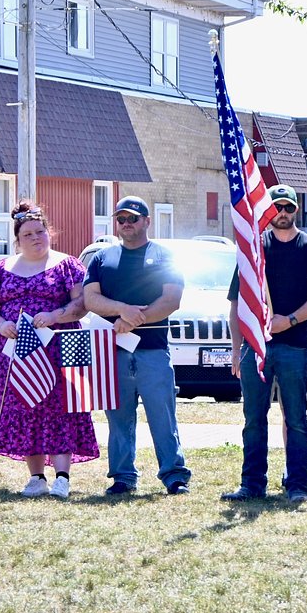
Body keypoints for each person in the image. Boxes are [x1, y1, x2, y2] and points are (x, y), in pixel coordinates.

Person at [0, 202, 98, 498]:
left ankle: (62, 477)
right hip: (15, 351)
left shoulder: (68, 265)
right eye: (28, 234)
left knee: (61, 409)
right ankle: (36, 477)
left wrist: (56, 316)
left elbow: (82, 304)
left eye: (40, 231)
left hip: (61, 347)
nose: (36, 237)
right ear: (17, 239)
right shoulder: (0, 269)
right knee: (25, 406)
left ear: (50, 233)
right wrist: (1, 324)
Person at [223, 185, 307, 502]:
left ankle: (298, 483)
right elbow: (236, 303)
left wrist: (293, 321)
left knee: (296, 419)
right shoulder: (253, 250)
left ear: (296, 210)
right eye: (276, 208)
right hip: (255, 348)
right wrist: (236, 349)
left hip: (294, 346)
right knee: (253, 419)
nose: (282, 213)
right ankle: (252, 484)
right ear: (267, 211)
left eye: (287, 208)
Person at [83, 196, 190, 496]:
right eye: (121, 219)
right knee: (118, 418)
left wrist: (132, 321)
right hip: (111, 353)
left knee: (162, 416)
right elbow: (91, 299)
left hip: (153, 352)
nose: (127, 224)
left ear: (147, 221)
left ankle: (173, 475)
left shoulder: (164, 255)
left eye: (133, 218)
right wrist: (122, 310)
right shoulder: (102, 258)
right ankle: (122, 476)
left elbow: (171, 300)